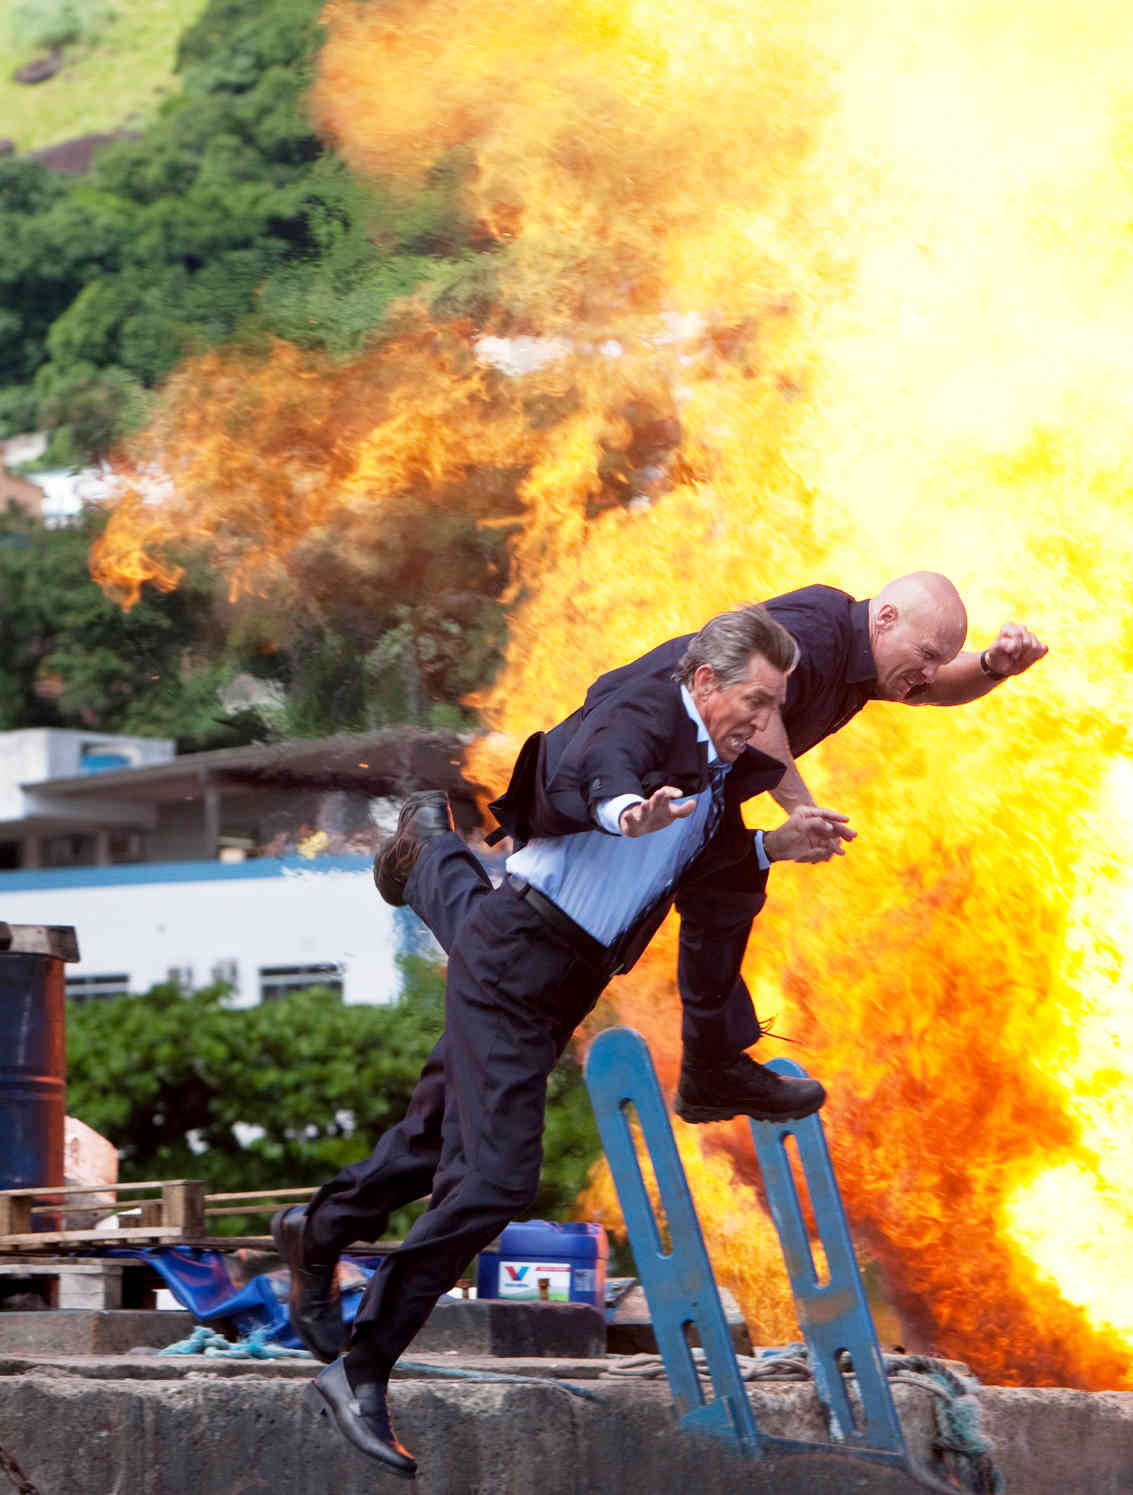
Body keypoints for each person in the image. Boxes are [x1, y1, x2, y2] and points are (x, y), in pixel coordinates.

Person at [289, 604, 850, 1475]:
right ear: (706, 682)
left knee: (428, 1142)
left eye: (777, 706)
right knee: (495, 1180)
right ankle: (360, 1368)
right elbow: (601, 765)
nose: (768, 722)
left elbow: (695, 870)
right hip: (517, 964)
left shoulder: (714, 771)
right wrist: (628, 811)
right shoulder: (648, 714)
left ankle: (318, 1231)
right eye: (757, 700)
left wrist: (777, 842)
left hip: (557, 979)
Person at [374, 571, 1048, 1111]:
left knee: (712, 897)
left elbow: (933, 693)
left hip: (687, 783)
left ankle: (710, 1066)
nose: (929, 673)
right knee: (527, 951)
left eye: (940, 661)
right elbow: (754, 712)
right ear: (886, 620)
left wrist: (992, 665)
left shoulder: (865, 665)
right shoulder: (815, 629)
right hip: (626, 766)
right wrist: (800, 809)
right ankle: (431, 851)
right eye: (927, 657)